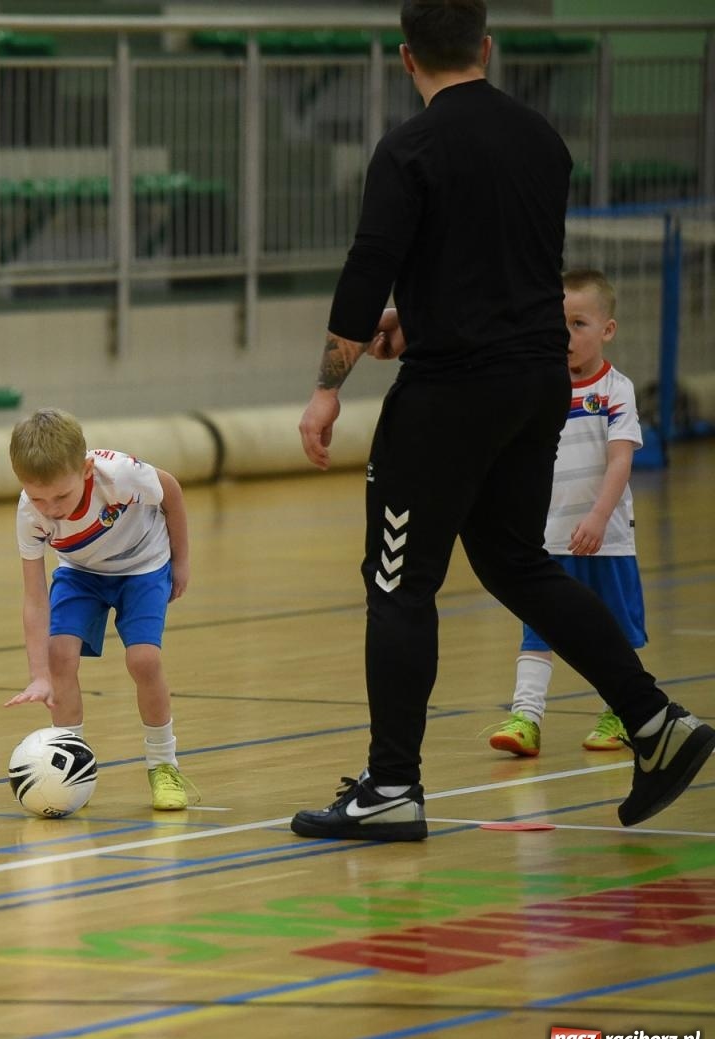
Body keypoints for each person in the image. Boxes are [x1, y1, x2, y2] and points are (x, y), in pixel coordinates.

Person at [290, 0, 712, 842]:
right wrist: (423, 318)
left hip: (452, 394)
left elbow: (369, 264)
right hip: (535, 381)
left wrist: (328, 385)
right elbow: (507, 264)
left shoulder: (408, 148)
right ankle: (654, 720)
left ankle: (392, 787)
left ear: (406, 58)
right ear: (485, 46)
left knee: (398, 581)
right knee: (516, 561)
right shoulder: (541, 141)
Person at [4, 408, 197, 811]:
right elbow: (35, 597)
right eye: (38, 497)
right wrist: (39, 676)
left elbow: (172, 493)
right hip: (81, 571)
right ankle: (72, 768)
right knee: (59, 656)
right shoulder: (29, 512)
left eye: (60, 496)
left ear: (87, 470)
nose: (51, 508)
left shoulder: (122, 475)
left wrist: (180, 561)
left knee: (143, 661)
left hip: (143, 565)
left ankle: (164, 765)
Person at [489, 269, 645, 758]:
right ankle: (526, 718)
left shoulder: (617, 391)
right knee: (538, 630)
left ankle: (620, 712)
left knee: (615, 629)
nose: (566, 337)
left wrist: (599, 517)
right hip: (547, 538)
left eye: (579, 324)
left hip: (608, 538)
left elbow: (620, 459)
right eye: (558, 325)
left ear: (607, 330)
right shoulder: (539, 389)